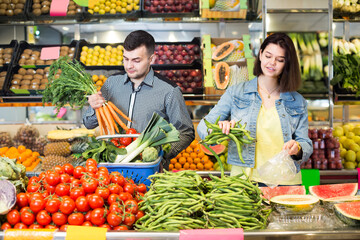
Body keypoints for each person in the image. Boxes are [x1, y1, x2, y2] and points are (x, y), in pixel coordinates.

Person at [197, 33, 313, 185]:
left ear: (287, 64)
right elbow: (202, 127)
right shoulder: (236, 93)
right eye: (268, 56)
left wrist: (297, 148)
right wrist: (219, 129)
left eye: (280, 60)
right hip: (244, 181)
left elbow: (305, 143)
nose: (272, 63)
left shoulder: (297, 101)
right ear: (260, 55)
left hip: (285, 181)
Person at [83, 30, 195, 168]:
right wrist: (94, 108)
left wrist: (160, 153)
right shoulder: (111, 83)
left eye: (136, 60)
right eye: (125, 59)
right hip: (111, 169)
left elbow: (186, 132)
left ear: (151, 59)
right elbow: (88, 124)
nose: (129, 66)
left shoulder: (169, 91)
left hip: (149, 171)